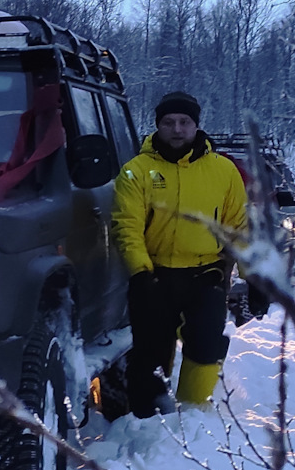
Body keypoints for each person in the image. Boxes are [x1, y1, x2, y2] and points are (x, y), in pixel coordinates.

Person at [109, 92, 260, 416]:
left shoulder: (223, 170)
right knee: (151, 355)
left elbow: (238, 227)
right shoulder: (136, 171)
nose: (177, 129)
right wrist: (140, 273)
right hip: (154, 278)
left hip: (205, 276)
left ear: (196, 125)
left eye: (184, 122)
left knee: (206, 347)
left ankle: (192, 415)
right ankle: (149, 421)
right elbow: (126, 226)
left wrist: (254, 278)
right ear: (157, 126)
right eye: (168, 122)